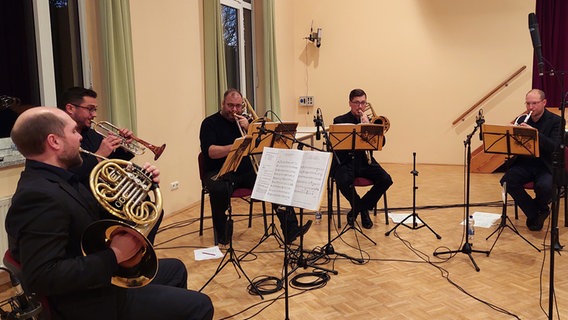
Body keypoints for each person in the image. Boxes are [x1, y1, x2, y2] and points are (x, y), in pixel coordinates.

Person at [5, 107, 213, 320]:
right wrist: (115, 255)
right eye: (74, 132)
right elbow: (42, 277)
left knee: (176, 269)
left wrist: (142, 191)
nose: (80, 139)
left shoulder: (59, 179)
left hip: (97, 280)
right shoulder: (38, 196)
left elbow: (98, 221)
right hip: (86, 304)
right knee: (201, 305)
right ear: (54, 141)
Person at [199, 88, 311, 245]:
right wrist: (236, 146)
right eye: (230, 105)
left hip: (244, 171)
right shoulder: (209, 123)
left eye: (238, 106)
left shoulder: (246, 122)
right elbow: (210, 152)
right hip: (218, 170)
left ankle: (290, 228)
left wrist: (249, 128)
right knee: (219, 190)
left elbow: (266, 143)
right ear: (223, 104)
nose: (234, 110)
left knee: (276, 183)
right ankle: (222, 233)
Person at [58, 86, 162, 243]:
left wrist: (124, 147)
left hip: (107, 194)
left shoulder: (91, 133)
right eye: (90, 109)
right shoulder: (60, 139)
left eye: (95, 109)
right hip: (86, 200)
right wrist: (99, 154)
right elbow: (70, 174)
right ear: (70, 108)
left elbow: (111, 164)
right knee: (140, 215)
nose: (94, 114)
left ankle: (141, 252)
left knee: (150, 209)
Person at [501, 89, 562, 231]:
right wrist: (511, 133)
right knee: (507, 181)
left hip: (545, 164)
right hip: (526, 163)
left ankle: (539, 208)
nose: (530, 107)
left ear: (544, 102)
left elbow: (554, 147)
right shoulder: (521, 119)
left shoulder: (556, 121)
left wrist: (534, 134)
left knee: (544, 186)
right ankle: (536, 212)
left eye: (534, 103)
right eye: (528, 103)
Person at [333, 88, 393, 229]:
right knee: (342, 181)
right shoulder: (339, 120)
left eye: (363, 103)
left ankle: (358, 209)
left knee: (386, 179)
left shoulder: (371, 121)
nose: (360, 106)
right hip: (346, 160)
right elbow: (337, 145)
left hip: (365, 161)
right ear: (350, 103)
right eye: (356, 103)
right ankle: (363, 210)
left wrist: (368, 126)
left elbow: (380, 144)